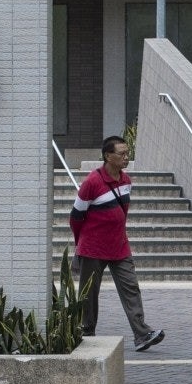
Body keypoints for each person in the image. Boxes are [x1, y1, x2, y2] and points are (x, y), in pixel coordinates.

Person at [71, 135, 165, 352]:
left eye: (127, 153)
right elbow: (76, 217)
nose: (126, 157)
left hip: (119, 246)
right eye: (121, 154)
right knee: (88, 293)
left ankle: (142, 334)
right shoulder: (92, 183)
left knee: (131, 287)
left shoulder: (126, 181)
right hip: (93, 248)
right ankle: (87, 331)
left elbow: (123, 214)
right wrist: (81, 245)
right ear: (107, 156)